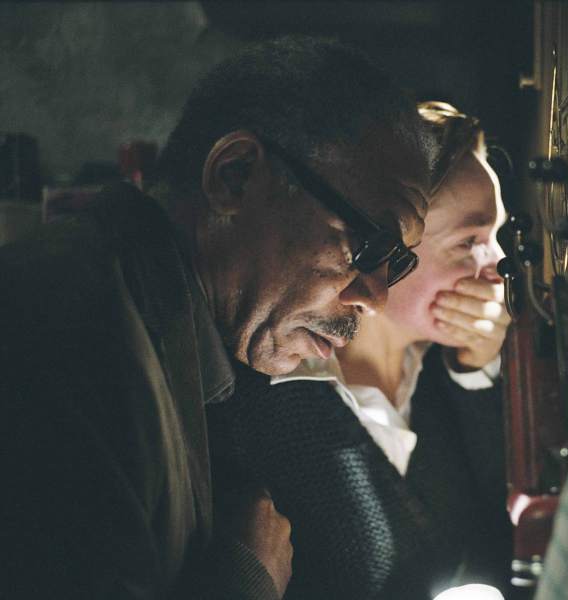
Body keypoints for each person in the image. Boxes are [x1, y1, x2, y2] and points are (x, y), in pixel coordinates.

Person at [0, 36, 435, 600]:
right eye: (370, 244)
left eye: (397, 263)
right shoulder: (67, 333)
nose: (374, 299)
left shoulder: (168, 329)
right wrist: (247, 580)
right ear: (235, 176)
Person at [206, 102, 514, 600]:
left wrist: (476, 372)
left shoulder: (443, 370)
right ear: (392, 242)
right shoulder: (261, 389)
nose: (499, 264)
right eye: (469, 242)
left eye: (498, 234)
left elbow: (502, 532)